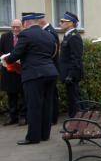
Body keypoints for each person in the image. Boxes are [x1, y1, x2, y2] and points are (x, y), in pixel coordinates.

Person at [1, 13, 58, 145]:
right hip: (50, 72)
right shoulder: (49, 34)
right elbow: (51, 53)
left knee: (34, 106)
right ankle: (44, 135)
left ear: (26, 23)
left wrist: (6, 59)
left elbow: (16, 53)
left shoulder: (25, 35)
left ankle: (33, 137)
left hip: (34, 75)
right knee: (47, 105)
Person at [1, 19, 26, 126]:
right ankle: (12, 117)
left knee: (24, 95)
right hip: (9, 71)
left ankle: (24, 117)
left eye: (17, 27)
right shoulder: (5, 37)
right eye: (13, 27)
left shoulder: (25, 37)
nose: (15, 29)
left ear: (22, 27)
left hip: (22, 71)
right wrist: (5, 58)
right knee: (11, 95)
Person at [58, 12, 84, 118]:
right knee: (72, 98)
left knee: (74, 99)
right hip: (68, 73)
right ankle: (76, 120)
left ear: (71, 23)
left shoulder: (74, 37)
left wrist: (71, 74)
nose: (61, 23)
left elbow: (76, 57)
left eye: (64, 21)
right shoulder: (68, 35)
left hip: (72, 74)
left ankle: (76, 121)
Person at [38, 16, 60, 124]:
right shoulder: (48, 30)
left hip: (51, 67)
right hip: (50, 67)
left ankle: (52, 118)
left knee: (51, 95)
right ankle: (51, 118)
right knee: (51, 94)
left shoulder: (49, 32)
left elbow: (53, 52)